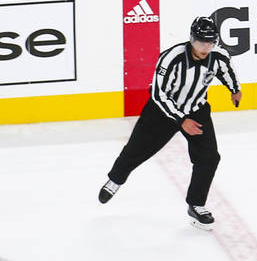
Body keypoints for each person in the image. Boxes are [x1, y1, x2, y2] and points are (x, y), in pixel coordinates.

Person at [98, 17, 241, 230]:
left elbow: (226, 71)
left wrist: (234, 89)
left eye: (211, 43)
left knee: (209, 157)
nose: (206, 48)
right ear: (192, 39)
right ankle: (116, 179)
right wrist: (181, 120)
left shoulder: (218, 56)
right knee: (136, 151)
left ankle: (196, 204)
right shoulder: (171, 58)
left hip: (196, 110)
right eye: (202, 43)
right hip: (161, 111)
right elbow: (158, 93)